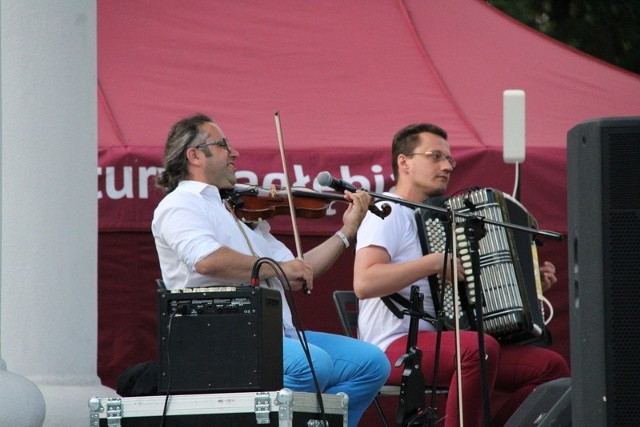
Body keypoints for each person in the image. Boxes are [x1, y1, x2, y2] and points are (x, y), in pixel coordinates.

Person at [151, 113, 390, 427]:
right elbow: (205, 259)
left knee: (371, 363)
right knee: (312, 364)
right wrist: (276, 267)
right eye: (223, 145)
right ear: (194, 155)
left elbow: (300, 272)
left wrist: (346, 231)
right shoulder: (180, 204)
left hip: (274, 332)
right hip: (223, 336)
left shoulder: (237, 213)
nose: (234, 153)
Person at [353, 123, 570, 427]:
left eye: (450, 160)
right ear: (404, 162)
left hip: (447, 339)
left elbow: (467, 288)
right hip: (392, 346)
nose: (446, 167)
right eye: (435, 157)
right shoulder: (388, 213)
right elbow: (364, 283)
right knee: (477, 349)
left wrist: (531, 282)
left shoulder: (444, 217)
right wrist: (431, 263)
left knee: (549, 367)